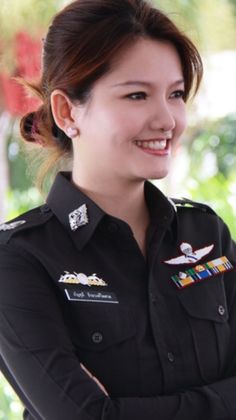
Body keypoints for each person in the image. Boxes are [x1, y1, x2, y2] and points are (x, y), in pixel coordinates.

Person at [0, 0, 235, 419]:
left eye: (176, 94)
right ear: (67, 111)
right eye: (137, 95)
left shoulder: (206, 235)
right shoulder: (18, 259)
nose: (168, 119)